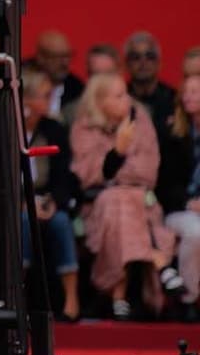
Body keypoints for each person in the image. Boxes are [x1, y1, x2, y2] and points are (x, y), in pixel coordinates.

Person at [70, 71, 171, 319]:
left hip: (142, 204)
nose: (127, 99)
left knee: (120, 199)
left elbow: (148, 171)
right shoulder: (84, 127)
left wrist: (113, 169)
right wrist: (119, 151)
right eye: (118, 95)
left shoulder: (140, 120)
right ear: (100, 101)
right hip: (96, 208)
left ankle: (118, 293)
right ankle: (160, 268)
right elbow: (88, 174)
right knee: (115, 200)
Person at [20, 69, 80, 320]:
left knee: (62, 222)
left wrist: (54, 202)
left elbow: (63, 174)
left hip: (47, 200)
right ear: (27, 100)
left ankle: (71, 298)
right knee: (22, 222)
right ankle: (18, 293)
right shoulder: (10, 127)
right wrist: (23, 203)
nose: (48, 101)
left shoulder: (54, 129)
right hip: (19, 204)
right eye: (43, 96)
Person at [161, 73, 200, 307]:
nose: (188, 97)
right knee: (196, 232)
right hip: (179, 210)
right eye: (185, 92)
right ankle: (190, 299)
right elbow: (164, 186)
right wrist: (189, 203)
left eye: (195, 92)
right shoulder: (173, 135)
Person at [32, 30, 83, 119]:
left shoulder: (77, 89)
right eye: (58, 56)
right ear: (41, 58)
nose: (65, 62)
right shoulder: (22, 81)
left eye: (68, 55)